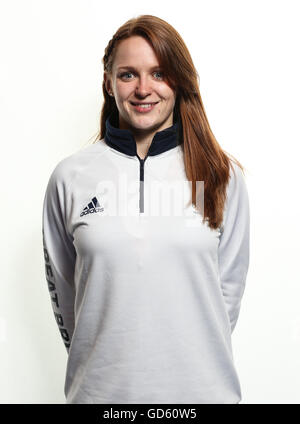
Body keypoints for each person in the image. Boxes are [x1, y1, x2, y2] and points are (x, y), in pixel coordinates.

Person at [42, 14, 250, 404]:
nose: (143, 89)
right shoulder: (69, 177)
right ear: (108, 81)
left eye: (159, 73)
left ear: (180, 80)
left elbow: (226, 296)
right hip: (100, 398)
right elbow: (67, 297)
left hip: (201, 398)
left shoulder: (222, 175)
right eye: (128, 75)